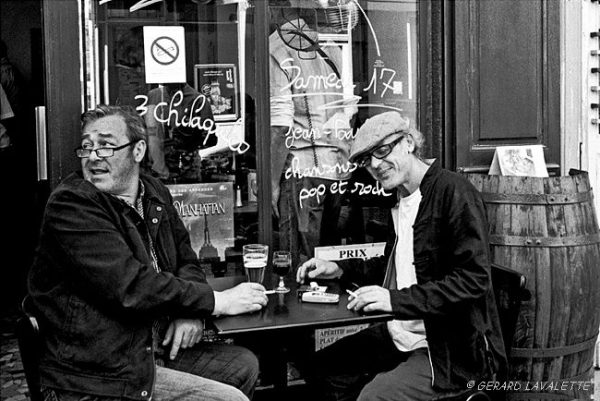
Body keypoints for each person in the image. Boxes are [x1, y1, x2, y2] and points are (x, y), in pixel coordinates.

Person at [27, 105, 268, 401]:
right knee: (229, 399)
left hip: (150, 349)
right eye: (87, 146)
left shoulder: (154, 191)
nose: (92, 156)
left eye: (105, 145)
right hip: (97, 373)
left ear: (138, 150)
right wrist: (216, 302)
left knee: (242, 366)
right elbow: (130, 287)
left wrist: (190, 311)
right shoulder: (71, 205)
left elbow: (187, 261)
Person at [296, 111, 507, 401]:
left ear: (408, 142)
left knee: (374, 397)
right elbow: (398, 264)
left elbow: (473, 281)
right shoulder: (400, 198)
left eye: (383, 151)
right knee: (321, 368)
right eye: (367, 160)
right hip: (402, 334)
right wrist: (339, 268)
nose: (376, 165)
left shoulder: (454, 193)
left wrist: (393, 300)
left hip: (449, 350)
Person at [270, 0, 357, 267]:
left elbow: (280, 125)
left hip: (303, 171)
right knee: (328, 260)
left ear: (275, 9)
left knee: (301, 262)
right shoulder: (331, 43)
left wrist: (271, 182)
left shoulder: (277, 47)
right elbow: (349, 109)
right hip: (339, 169)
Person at [144, 82, 217, 182]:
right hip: (160, 166)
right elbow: (150, 132)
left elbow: (210, 138)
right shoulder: (155, 96)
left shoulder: (197, 99)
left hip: (186, 167)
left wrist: (189, 141)